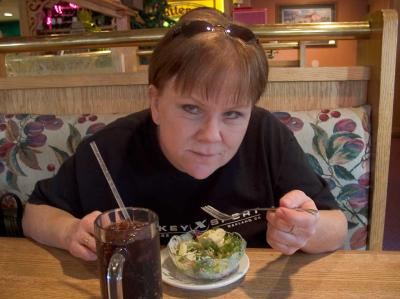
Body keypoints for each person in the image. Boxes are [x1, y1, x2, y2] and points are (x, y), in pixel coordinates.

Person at [22, 7, 347, 261]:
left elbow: (337, 226)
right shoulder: (108, 149)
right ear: (157, 102)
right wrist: (68, 232)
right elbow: (35, 213)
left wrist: (308, 229)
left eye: (233, 113)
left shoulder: (266, 135)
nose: (211, 135)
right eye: (191, 108)